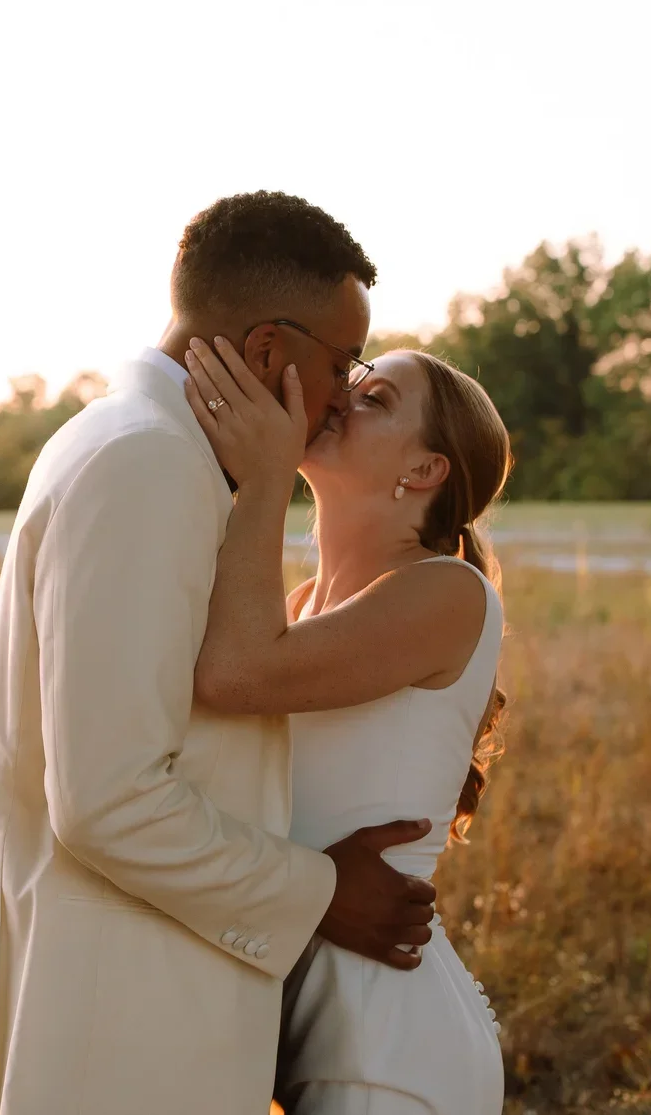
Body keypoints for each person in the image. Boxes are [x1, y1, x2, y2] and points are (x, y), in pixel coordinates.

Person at [0, 193, 437, 1115]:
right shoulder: (150, 464)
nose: (343, 394)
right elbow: (112, 797)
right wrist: (319, 892)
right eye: (342, 361)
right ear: (273, 350)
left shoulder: (138, 444)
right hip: (112, 1031)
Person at [184, 338, 512, 1114]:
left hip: (386, 1045)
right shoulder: (295, 609)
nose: (342, 399)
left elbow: (233, 676)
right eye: (354, 383)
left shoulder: (448, 592)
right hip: (310, 1026)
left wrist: (262, 475)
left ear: (424, 471)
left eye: (377, 400)